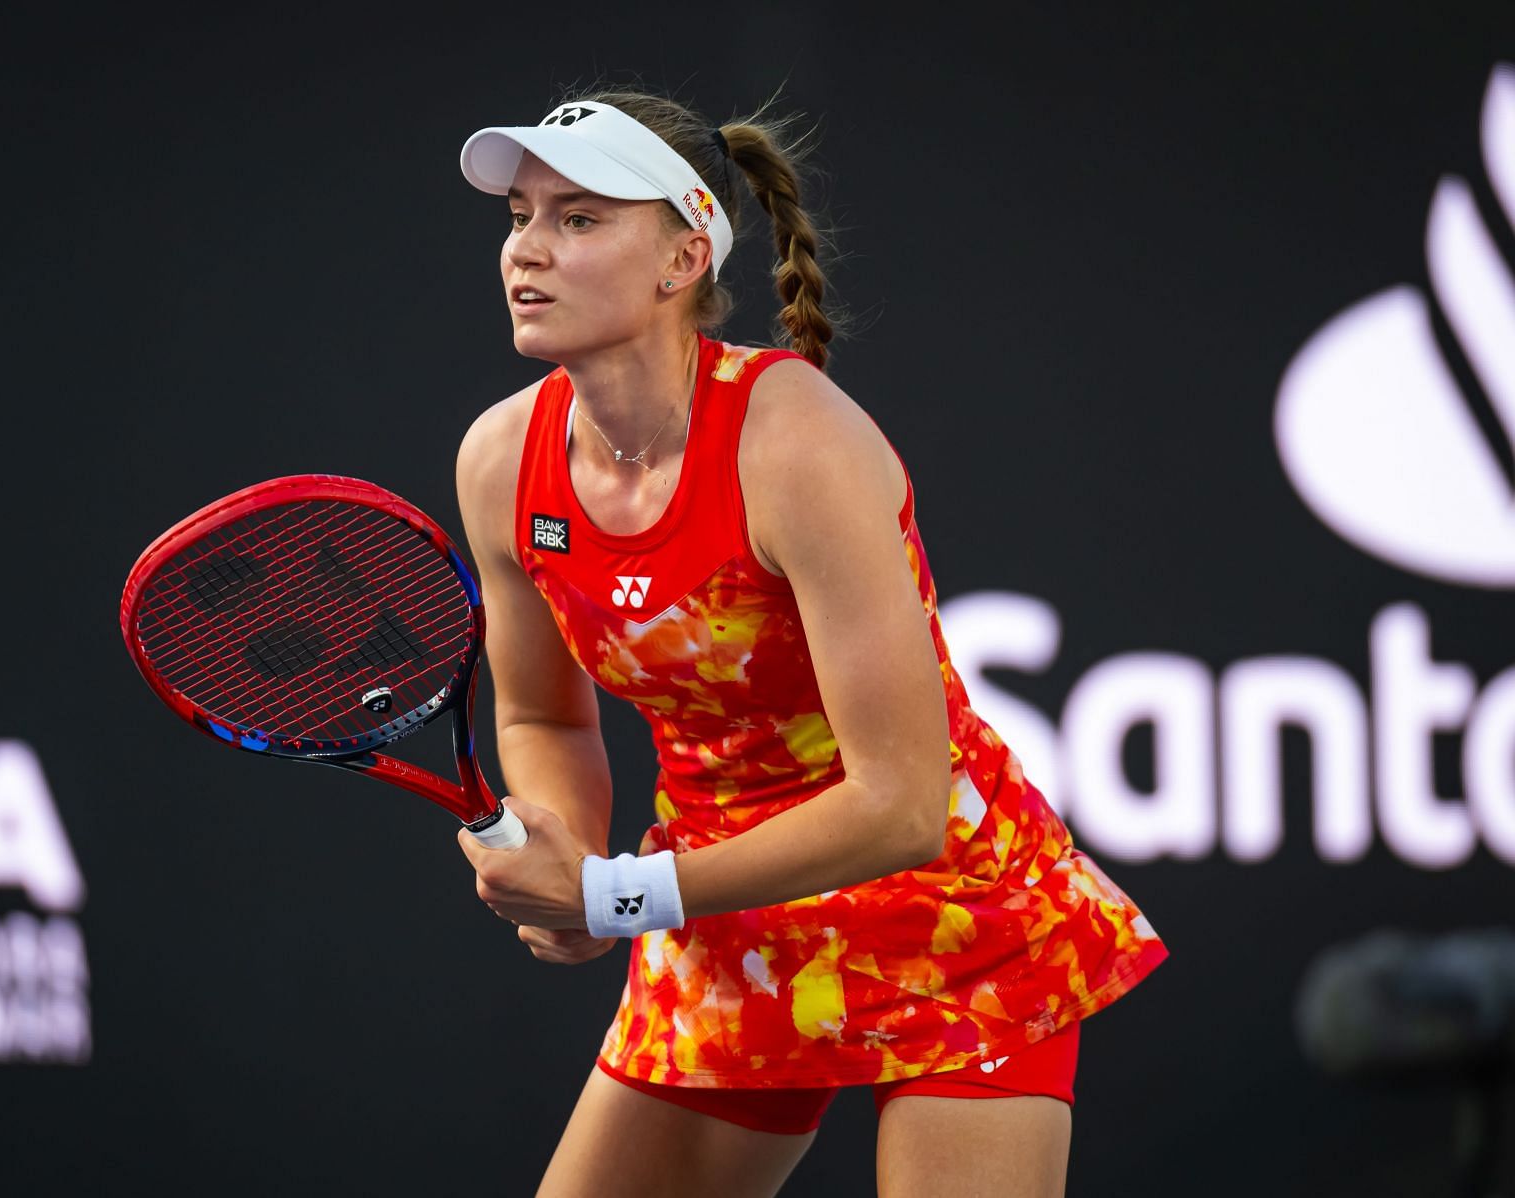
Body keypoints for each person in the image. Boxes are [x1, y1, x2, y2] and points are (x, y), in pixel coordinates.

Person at [452, 87, 1168, 1198]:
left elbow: (900, 803)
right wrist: (571, 848)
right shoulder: (502, 462)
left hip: (953, 915)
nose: (526, 250)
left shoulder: (797, 444)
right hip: (721, 911)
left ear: (684, 256)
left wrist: (618, 897)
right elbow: (543, 712)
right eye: (520, 216)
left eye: (580, 218)